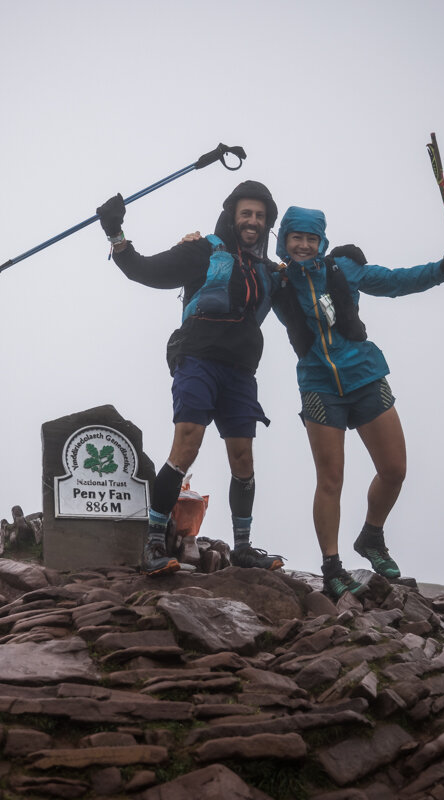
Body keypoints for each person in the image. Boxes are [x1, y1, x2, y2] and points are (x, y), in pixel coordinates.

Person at [271, 206, 444, 599]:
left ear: (322, 241)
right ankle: (332, 568)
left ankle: (371, 537)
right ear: (284, 241)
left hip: (364, 375)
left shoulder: (344, 269)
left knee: (394, 470)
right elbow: (231, 277)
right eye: (297, 238)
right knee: (330, 480)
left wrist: (443, 268)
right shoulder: (273, 281)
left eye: (312, 239)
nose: (305, 245)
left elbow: (396, 281)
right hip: (318, 386)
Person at [95, 182, 286, 576]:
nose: (252, 221)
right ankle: (153, 543)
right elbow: (144, 270)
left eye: (260, 216)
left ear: (267, 224)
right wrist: (115, 232)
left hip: (240, 372)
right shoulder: (202, 250)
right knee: (187, 444)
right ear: (233, 215)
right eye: (246, 213)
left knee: (243, 459)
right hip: (197, 357)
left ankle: (244, 548)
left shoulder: (269, 271)